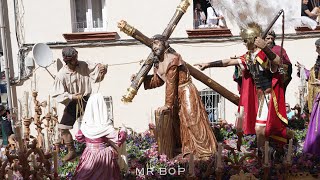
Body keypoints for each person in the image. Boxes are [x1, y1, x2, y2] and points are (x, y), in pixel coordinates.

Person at [195, 23, 290, 149]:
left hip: (269, 97)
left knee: (261, 129)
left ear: (251, 40)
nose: (244, 43)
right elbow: (228, 62)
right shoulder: (248, 56)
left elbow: (278, 62)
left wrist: (265, 48)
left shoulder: (263, 54)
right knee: (261, 129)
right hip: (259, 97)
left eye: (246, 40)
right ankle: (264, 155)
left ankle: (266, 154)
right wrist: (208, 64)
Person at [135, 34, 217, 159]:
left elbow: (171, 83)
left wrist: (168, 104)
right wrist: (142, 80)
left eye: (157, 43)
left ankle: (205, 150)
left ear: (165, 44)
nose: (154, 47)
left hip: (186, 90)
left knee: (192, 119)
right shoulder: (158, 63)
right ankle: (189, 149)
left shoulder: (172, 59)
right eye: (153, 44)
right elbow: (158, 81)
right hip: (176, 94)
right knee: (181, 122)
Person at [52, 47, 107, 162]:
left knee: (97, 124)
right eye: (73, 58)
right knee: (63, 128)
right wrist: (72, 96)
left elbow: (96, 71)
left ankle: (100, 148)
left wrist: (102, 69)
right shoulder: (61, 75)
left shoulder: (83, 65)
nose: (76, 60)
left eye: (76, 57)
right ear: (67, 60)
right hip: (74, 102)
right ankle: (72, 151)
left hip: (87, 100)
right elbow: (57, 94)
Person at [73, 93, 127, 179]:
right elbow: (119, 139)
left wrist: (91, 141)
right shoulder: (105, 127)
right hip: (104, 157)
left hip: (89, 154)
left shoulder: (85, 126)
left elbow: (79, 137)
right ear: (103, 107)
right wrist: (123, 129)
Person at [297, 38, 320, 156]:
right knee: (314, 125)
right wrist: (303, 70)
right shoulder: (318, 62)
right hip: (316, 99)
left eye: (318, 47)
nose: (316, 50)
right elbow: (312, 76)